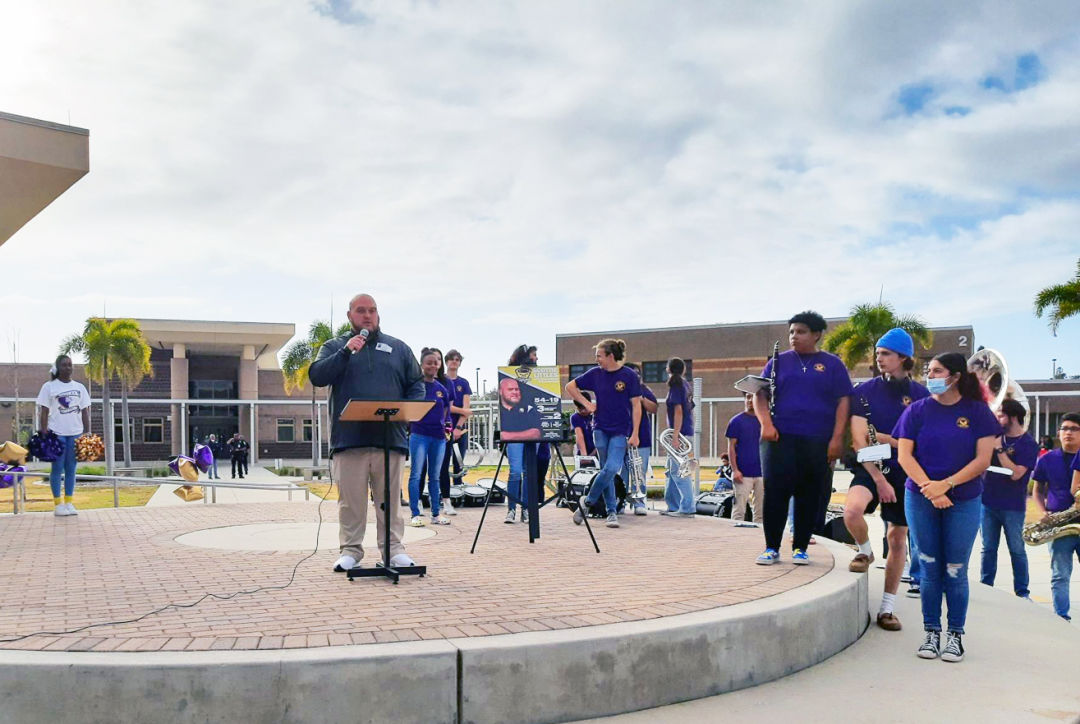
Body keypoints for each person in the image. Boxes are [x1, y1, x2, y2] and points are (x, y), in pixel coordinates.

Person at [309, 293, 425, 573]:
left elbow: (416, 384)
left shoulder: (398, 348)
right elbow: (317, 376)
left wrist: (407, 413)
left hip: (390, 439)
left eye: (372, 310)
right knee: (351, 503)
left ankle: (393, 550)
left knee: (390, 502)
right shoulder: (335, 346)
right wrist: (345, 352)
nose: (367, 315)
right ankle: (350, 550)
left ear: (378, 315)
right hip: (349, 440)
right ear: (350, 316)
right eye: (361, 311)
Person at [895, 352, 998, 663]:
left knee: (955, 569)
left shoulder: (978, 413)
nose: (930, 376)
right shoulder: (916, 411)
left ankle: (955, 635)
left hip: (964, 500)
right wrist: (931, 489)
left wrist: (947, 484)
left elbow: (983, 460)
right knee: (928, 567)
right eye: (929, 371)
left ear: (954, 376)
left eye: (937, 371)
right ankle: (930, 632)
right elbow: (904, 457)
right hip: (921, 497)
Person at [842, 328, 929, 631]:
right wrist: (880, 477)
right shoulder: (862, 392)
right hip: (870, 468)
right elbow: (859, 441)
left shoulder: (921, 395)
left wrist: (887, 440)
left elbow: (922, 440)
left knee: (897, 538)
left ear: (903, 358)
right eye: (877, 353)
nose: (879, 358)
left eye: (886, 353)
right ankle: (865, 551)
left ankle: (887, 608)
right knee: (851, 511)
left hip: (906, 473)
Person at [754, 311, 853, 566]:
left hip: (817, 439)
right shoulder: (778, 362)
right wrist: (766, 424)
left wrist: (837, 438)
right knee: (775, 492)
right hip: (778, 439)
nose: (794, 337)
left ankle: (800, 547)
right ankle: (771, 548)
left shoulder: (832, 364)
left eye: (801, 332)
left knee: (809, 493)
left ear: (817, 335)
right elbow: (759, 394)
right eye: (791, 332)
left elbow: (844, 401)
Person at [565, 338, 642, 528]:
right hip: (599, 429)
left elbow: (636, 405)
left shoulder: (629, 375)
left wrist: (635, 433)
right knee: (606, 471)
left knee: (611, 468)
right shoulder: (595, 374)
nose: (597, 359)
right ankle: (611, 513)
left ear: (610, 356)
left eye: (599, 356)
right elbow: (570, 387)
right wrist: (587, 404)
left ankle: (587, 502)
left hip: (620, 430)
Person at [979, 398, 1038, 599]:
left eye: (1001, 414)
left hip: (1012, 506)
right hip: (987, 502)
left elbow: (1016, 474)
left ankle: (1022, 592)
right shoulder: (994, 436)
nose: (997, 417)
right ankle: (986, 586)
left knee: (1016, 549)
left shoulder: (1028, 444)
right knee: (988, 549)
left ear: (1013, 417)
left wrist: (1000, 450)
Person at [1031, 413, 1080, 620]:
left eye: (1073, 429)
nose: (1067, 432)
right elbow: (1038, 490)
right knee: (1060, 575)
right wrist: (1043, 512)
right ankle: (1062, 618)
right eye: (1064, 428)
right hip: (1060, 524)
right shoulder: (1047, 459)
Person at [35, 354, 91, 517]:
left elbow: (85, 411)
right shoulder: (49, 387)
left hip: (75, 433)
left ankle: (69, 502)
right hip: (56, 433)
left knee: (71, 469)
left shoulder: (80, 387)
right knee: (57, 468)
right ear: (58, 368)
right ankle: (58, 504)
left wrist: (86, 432)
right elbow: (44, 412)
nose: (68, 368)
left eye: (70, 365)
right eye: (64, 365)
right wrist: (44, 433)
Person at [406, 349, 452, 528]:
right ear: (422, 365)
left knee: (435, 476)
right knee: (416, 474)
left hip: (438, 437)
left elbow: (446, 410)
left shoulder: (441, 389)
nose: (432, 366)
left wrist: (446, 426)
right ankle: (415, 514)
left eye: (435, 363)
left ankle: (435, 514)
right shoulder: (415, 386)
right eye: (429, 363)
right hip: (419, 435)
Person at [502, 344, 540, 524]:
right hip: (513, 429)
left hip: (533, 428)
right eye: (533, 356)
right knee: (515, 471)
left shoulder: (539, 378)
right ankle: (511, 509)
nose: (536, 359)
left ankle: (526, 508)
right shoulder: (509, 376)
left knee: (529, 471)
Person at [660, 357, 696, 518]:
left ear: (668, 369)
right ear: (683, 369)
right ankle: (673, 506)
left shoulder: (676, 385)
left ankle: (687, 507)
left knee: (680, 471)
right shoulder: (686, 384)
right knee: (671, 470)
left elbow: (679, 411)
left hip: (679, 434)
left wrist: (675, 436)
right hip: (685, 431)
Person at [439, 349, 472, 515]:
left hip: (459, 428)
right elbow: (447, 406)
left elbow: (467, 408)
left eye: (457, 359)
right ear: (446, 361)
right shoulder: (442, 381)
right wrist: (461, 411)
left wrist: (458, 427)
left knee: (458, 463)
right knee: (442, 464)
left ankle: (458, 496)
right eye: (451, 359)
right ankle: (442, 497)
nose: (454, 362)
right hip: (444, 427)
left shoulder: (464, 383)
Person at [622, 362, 657, 516]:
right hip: (621, 436)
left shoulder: (644, 390)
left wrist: (641, 400)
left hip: (641, 438)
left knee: (640, 473)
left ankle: (639, 503)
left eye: (637, 374)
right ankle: (620, 501)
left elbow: (654, 408)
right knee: (622, 473)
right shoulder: (620, 390)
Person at [726, 394, 763, 523]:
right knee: (738, 512)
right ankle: (736, 540)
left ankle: (758, 540)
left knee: (761, 515)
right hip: (742, 474)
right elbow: (731, 448)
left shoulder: (766, 421)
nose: (749, 400)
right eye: (747, 397)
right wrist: (735, 470)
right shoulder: (736, 421)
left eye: (752, 397)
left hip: (762, 474)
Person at [570, 392, 596, 458]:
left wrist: (594, 453)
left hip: (599, 451)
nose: (583, 411)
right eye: (579, 408)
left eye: (584, 408)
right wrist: (584, 456)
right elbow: (579, 436)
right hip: (584, 452)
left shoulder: (597, 415)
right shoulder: (576, 417)